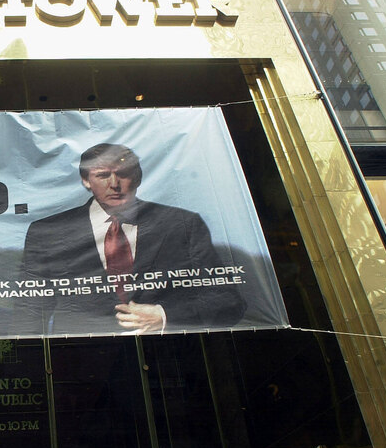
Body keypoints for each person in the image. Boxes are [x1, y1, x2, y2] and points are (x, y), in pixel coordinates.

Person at [17, 143, 246, 336]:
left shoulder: (181, 224)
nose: (114, 184)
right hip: (80, 362)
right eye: (102, 175)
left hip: (169, 361)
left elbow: (227, 300)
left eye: (123, 173)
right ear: (86, 180)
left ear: (137, 178)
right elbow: (30, 310)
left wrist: (165, 316)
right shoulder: (48, 232)